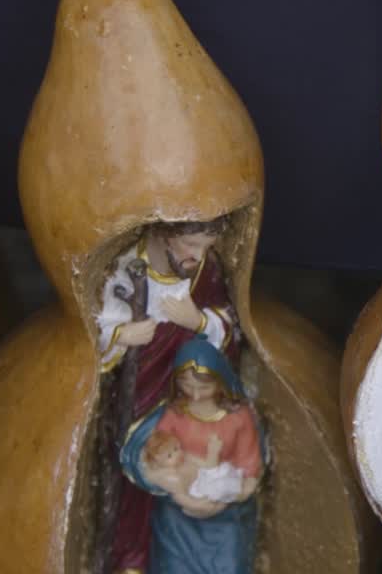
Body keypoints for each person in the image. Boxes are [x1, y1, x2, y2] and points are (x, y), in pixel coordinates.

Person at [96, 217, 240, 574]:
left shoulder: (204, 272)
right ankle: (131, 559)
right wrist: (122, 336)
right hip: (142, 396)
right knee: (142, 480)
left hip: (189, 396)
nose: (198, 255)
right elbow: (94, 330)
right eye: (191, 245)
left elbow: (230, 329)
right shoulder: (128, 271)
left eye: (205, 246)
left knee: (194, 477)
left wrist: (199, 321)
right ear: (162, 233)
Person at [121, 338, 265, 574]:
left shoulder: (239, 418)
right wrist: (165, 481)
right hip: (177, 520)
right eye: (187, 385)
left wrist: (222, 501)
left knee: (230, 566)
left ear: (220, 382)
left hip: (225, 518)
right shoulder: (174, 414)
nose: (195, 396)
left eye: (204, 387)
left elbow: (250, 471)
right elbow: (150, 455)